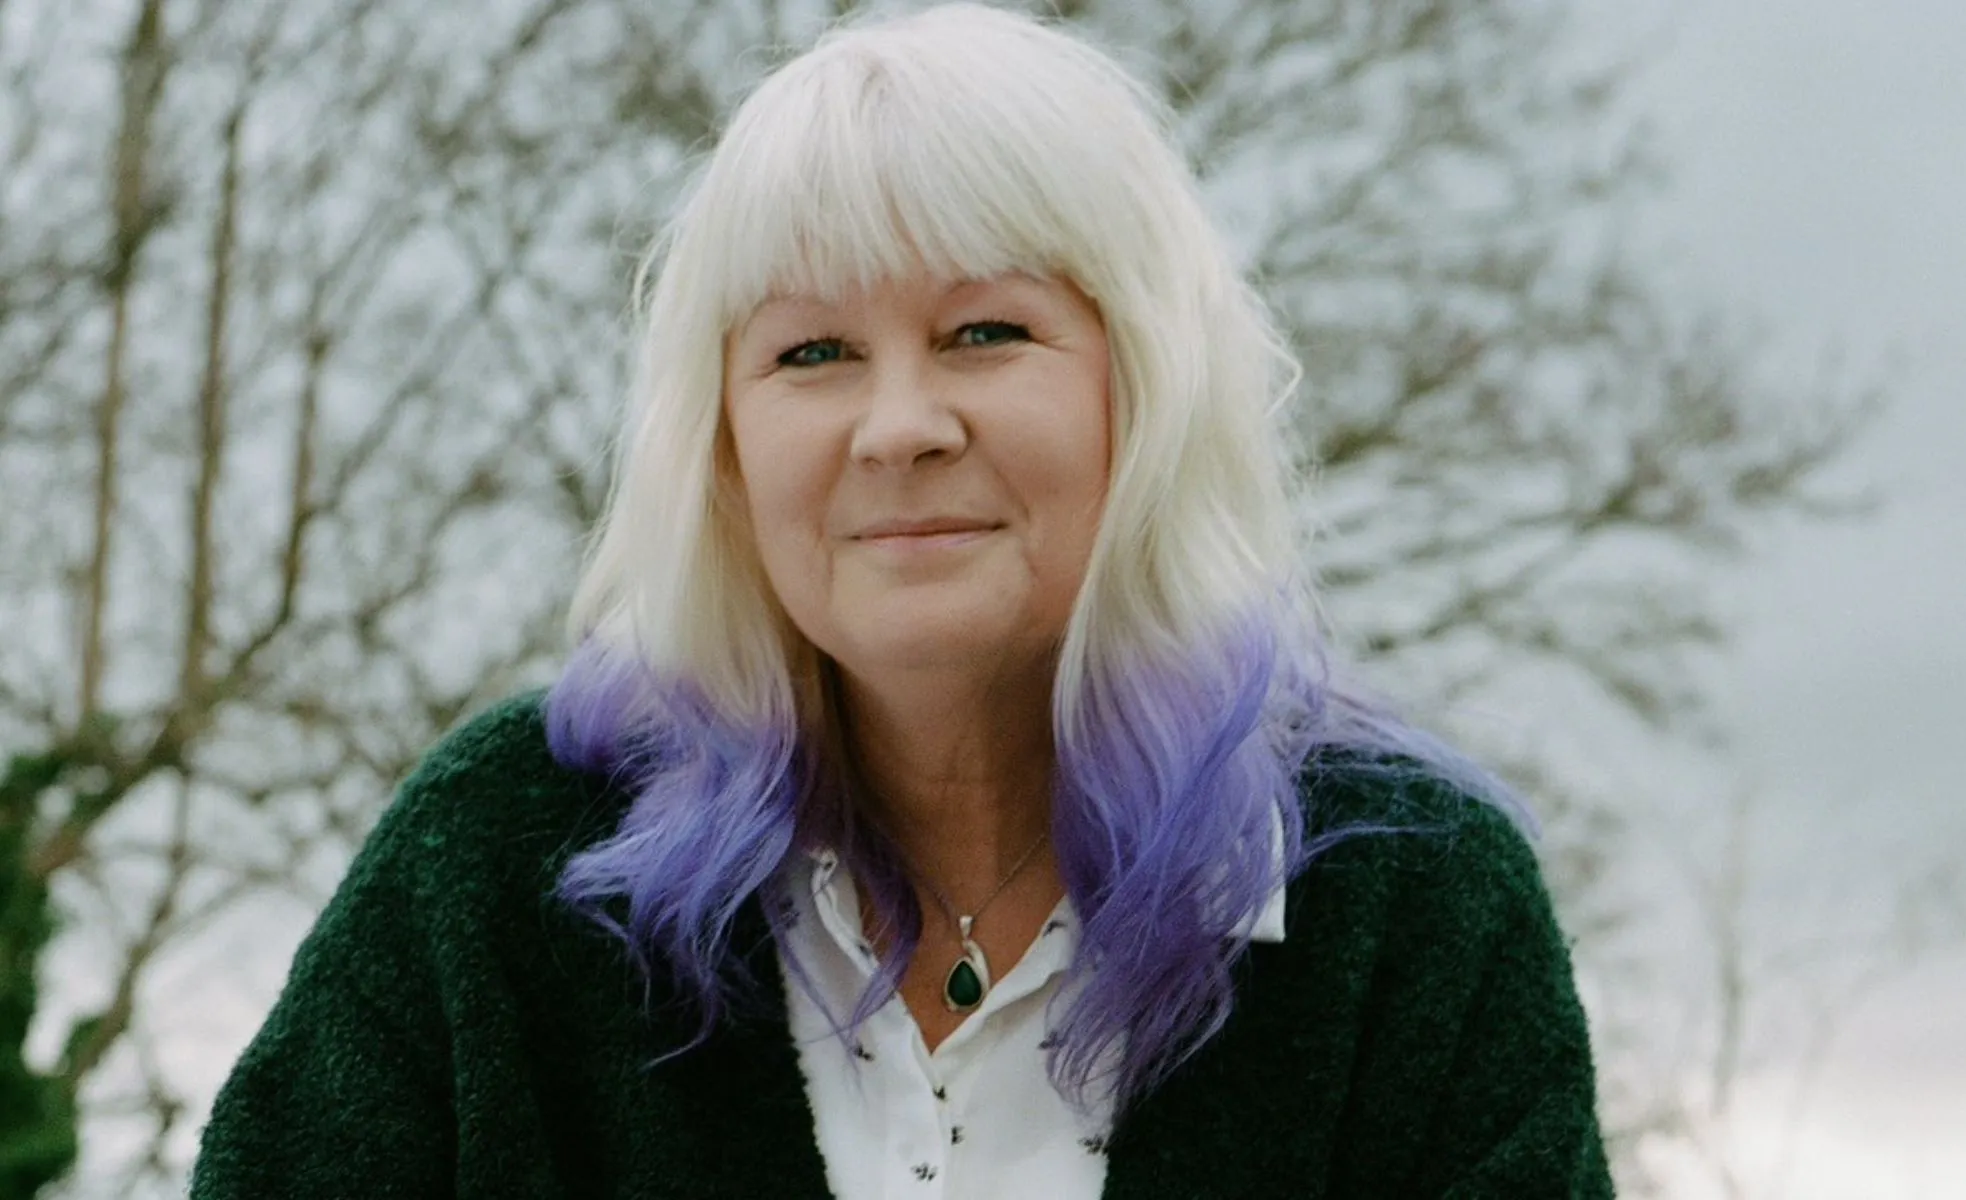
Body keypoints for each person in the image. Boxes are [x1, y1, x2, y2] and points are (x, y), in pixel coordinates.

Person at [191, 3, 1612, 1196]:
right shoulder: (496, 867)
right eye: (812, 353)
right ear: (725, 448)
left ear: (1148, 389)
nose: (899, 426)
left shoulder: (1412, 909)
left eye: (985, 332)